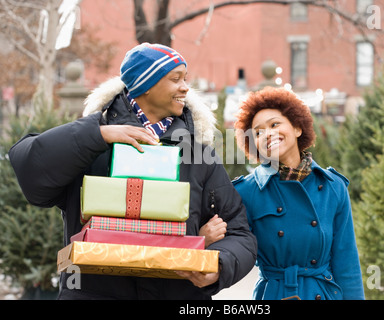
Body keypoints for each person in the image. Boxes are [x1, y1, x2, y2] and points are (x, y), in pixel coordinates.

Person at [8, 43, 257, 300]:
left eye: (186, 79)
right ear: (144, 85)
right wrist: (98, 134)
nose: (186, 88)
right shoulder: (90, 144)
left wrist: (218, 266)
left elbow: (240, 235)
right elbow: (30, 171)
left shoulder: (199, 154)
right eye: (176, 79)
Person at [232, 86, 364, 300]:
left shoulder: (333, 187)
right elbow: (233, 249)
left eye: (275, 124)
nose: (268, 134)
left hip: (323, 294)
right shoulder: (246, 192)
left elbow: (347, 264)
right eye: (258, 132)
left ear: (297, 128)